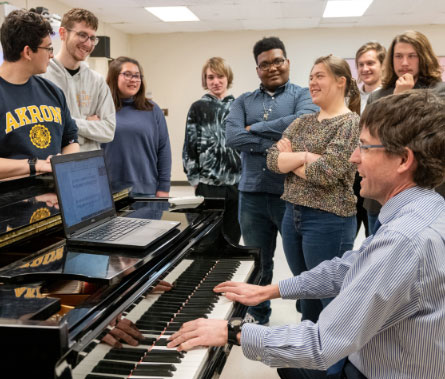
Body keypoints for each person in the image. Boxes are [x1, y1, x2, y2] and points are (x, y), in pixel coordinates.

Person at [168, 89, 445, 379]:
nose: (353, 158)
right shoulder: (427, 208)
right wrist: (272, 290)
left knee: (289, 360)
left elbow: (322, 344)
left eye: (364, 147)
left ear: (403, 160)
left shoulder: (403, 240)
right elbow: (349, 267)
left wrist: (232, 331)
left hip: (379, 370)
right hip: (388, 356)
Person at [225, 36, 318, 325]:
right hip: (251, 196)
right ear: (257, 70)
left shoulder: (302, 95)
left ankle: (310, 319)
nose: (272, 67)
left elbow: (302, 124)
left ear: (287, 62)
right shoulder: (243, 100)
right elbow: (233, 137)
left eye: (277, 61)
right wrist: (278, 146)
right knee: (257, 262)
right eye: (265, 64)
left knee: (299, 264)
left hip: (291, 196)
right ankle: (257, 315)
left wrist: (257, 128)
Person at [266, 55, 360, 323]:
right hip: (292, 215)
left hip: (328, 220)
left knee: (329, 297)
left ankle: (335, 364)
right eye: (310, 77)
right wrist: (306, 157)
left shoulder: (350, 123)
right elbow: (273, 160)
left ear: (341, 81)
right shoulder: (302, 121)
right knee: (305, 292)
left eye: (319, 76)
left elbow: (328, 172)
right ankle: (310, 359)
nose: (312, 82)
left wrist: (293, 156)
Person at [364, 30, 445, 234]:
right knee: (377, 254)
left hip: (430, 188)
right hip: (385, 192)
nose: (405, 63)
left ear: (423, 57)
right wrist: (397, 97)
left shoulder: (440, 91)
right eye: (398, 56)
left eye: (412, 56)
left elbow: (428, 138)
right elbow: (372, 137)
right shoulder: (379, 96)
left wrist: (405, 98)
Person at [0, 10, 79, 179]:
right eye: (48, 48)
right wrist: (35, 165)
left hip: (55, 197)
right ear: (28, 52)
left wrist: (61, 163)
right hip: (10, 201)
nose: (52, 55)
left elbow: (71, 141)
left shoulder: (53, 92)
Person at [183, 57, 241, 244]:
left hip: (236, 184)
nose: (215, 82)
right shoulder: (198, 107)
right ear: (205, 81)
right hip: (208, 184)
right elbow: (190, 145)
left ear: (227, 78)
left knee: (232, 236)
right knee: (207, 238)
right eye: (210, 77)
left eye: (220, 76)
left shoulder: (238, 106)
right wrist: (194, 179)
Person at [42, 8, 116, 152]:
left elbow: (108, 131)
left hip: (91, 166)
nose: (88, 44)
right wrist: (89, 125)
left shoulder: (97, 82)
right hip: (54, 165)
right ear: (63, 33)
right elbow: (44, 126)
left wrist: (67, 121)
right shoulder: (42, 76)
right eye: (82, 35)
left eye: (92, 38)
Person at [102, 56, 171, 197]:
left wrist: (164, 187)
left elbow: (163, 149)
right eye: (127, 74)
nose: (133, 79)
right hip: (108, 192)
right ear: (114, 77)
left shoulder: (152, 109)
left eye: (137, 76)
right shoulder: (101, 109)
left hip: (146, 191)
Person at [353, 42, 386, 237]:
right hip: (353, 175)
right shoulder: (351, 97)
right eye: (361, 64)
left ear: (382, 65)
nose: (365, 69)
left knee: (374, 235)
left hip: (376, 174)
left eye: (370, 63)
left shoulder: (390, 96)